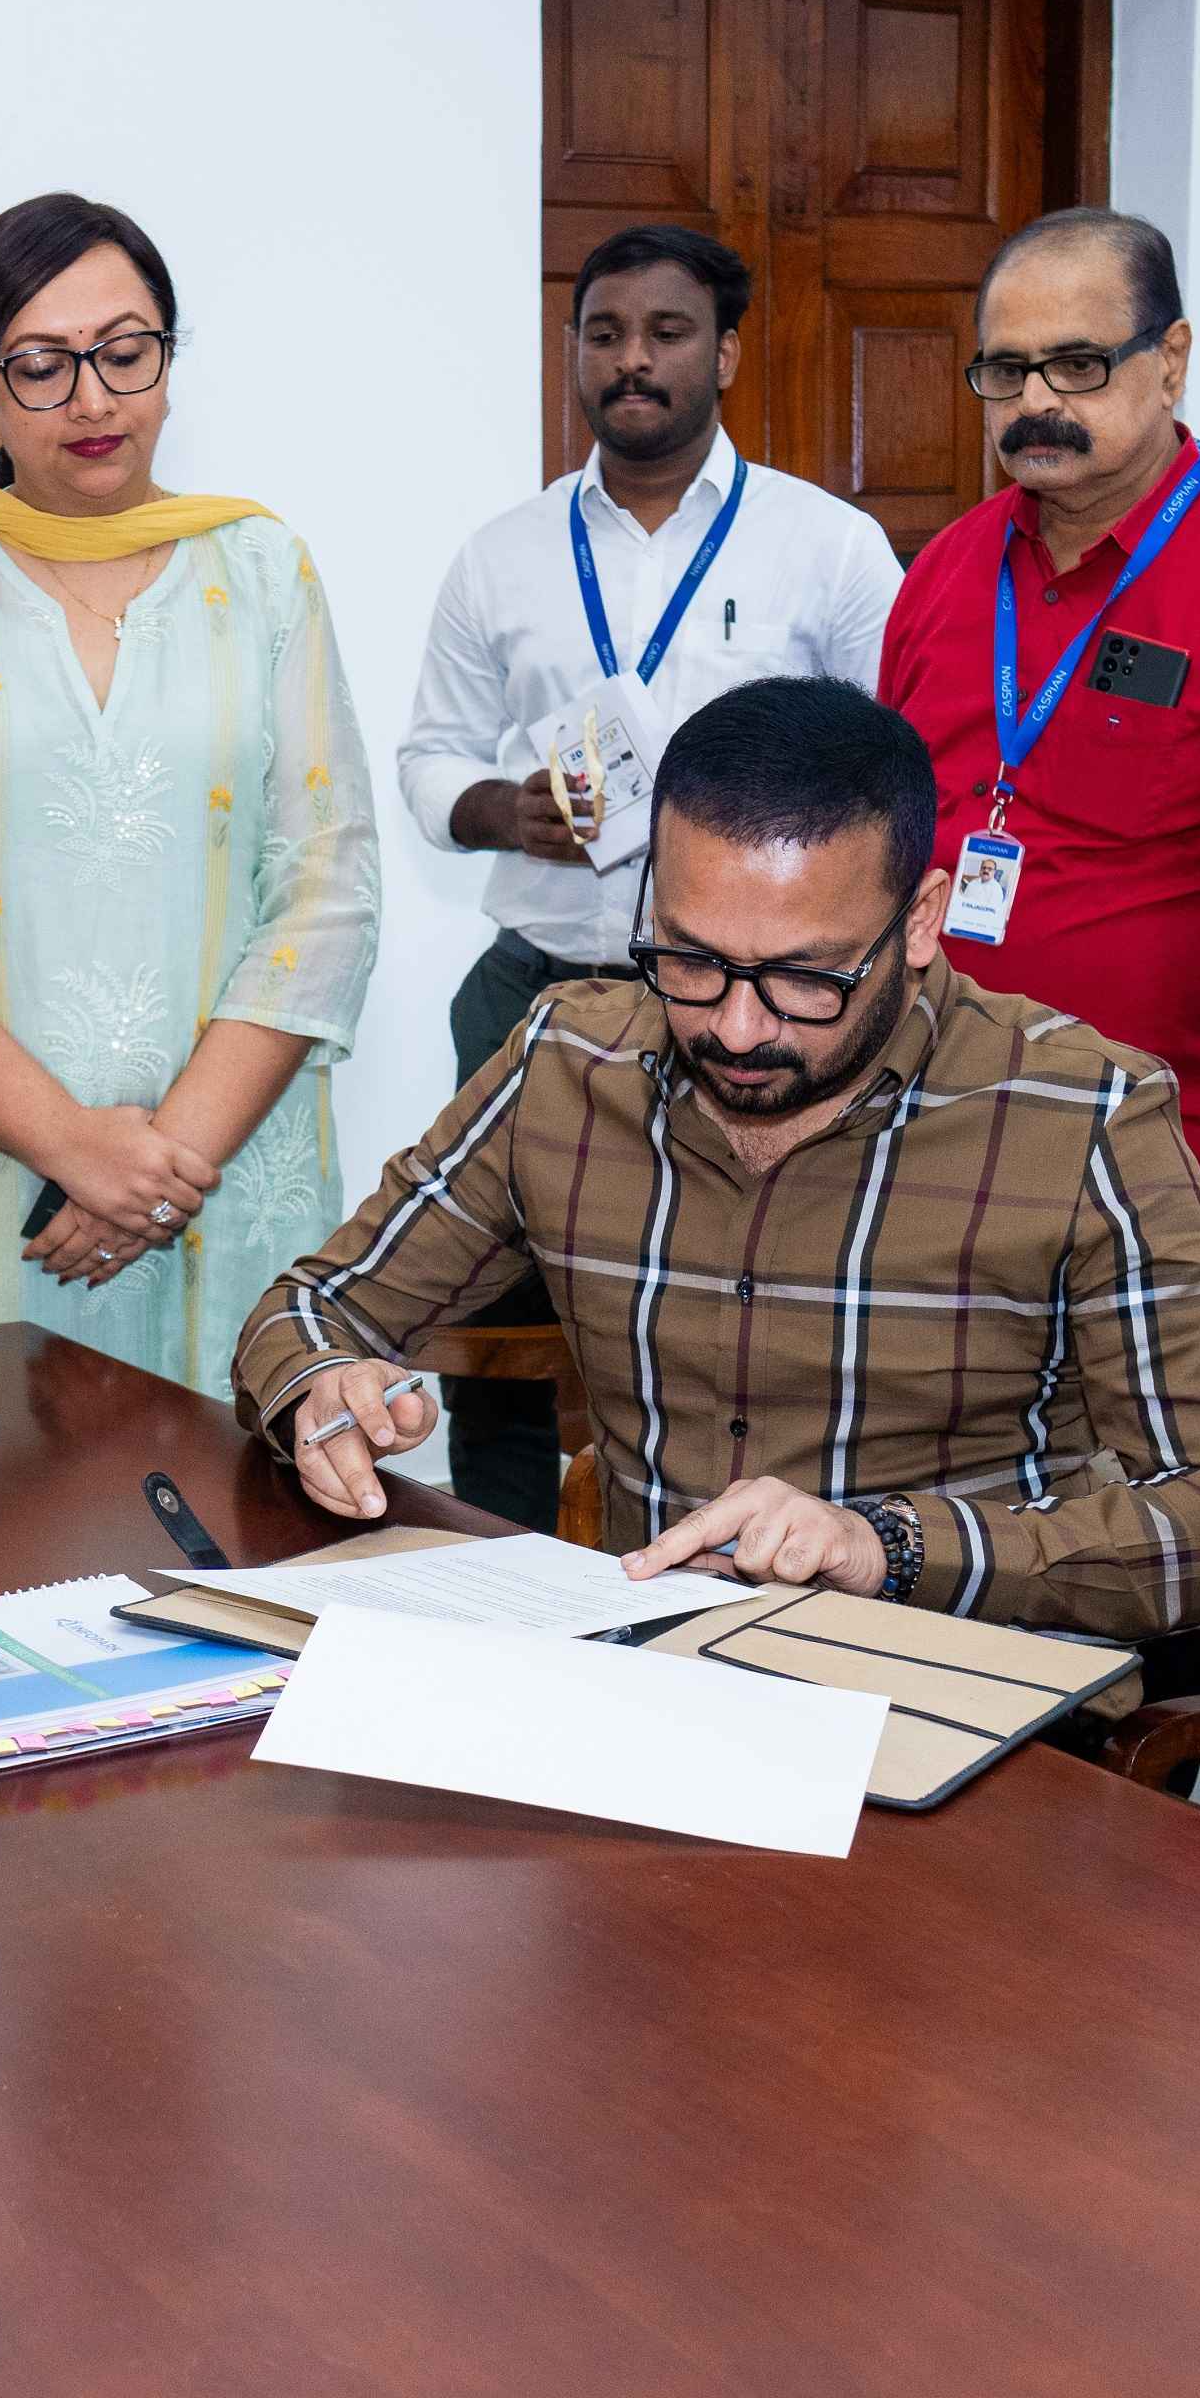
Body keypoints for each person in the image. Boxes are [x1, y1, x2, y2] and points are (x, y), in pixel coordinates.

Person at [235, 677, 1200, 1637]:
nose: (738, 1029)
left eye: (805, 978)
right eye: (691, 960)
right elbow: (311, 1305)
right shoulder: (565, 1061)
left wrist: (885, 1545)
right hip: (648, 1688)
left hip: (950, 1703)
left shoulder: (1080, 1114)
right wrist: (325, 1386)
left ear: (922, 918)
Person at [0, 191, 380, 1396]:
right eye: (44, 367)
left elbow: (326, 895)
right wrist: (75, 1147)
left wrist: (160, 1169)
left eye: (126, 352)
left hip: (220, 1180)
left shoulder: (266, 570)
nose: (95, 399)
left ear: (169, 359)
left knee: (229, 1559)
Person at [399, 221, 900, 1524]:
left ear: (725, 350)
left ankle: (744, 1566)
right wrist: (497, 807)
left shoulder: (829, 549)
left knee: (745, 1317)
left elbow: (891, 762)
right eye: (603, 332)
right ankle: (500, 1558)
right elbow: (426, 757)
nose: (631, 359)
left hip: (756, 1001)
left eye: (666, 331)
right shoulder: (497, 556)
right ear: (572, 352)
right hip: (537, 988)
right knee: (497, 1316)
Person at [872, 209, 1200, 1274]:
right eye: (1006, 372)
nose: (1038, 403)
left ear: (1172, 361)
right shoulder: (942, 576)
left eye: (1077, 363)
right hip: (928, 1150)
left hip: (1150, 1175)